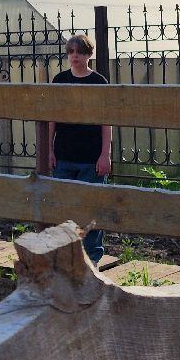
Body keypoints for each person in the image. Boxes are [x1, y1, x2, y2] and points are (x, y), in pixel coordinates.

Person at [47, 35, 113, 264]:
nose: (75, 56)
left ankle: (92, 259)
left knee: (92, 208)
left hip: (91, 158)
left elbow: (107, 121)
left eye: (80, 52)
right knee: (64, 209)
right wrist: (49, 151)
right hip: (64, 156)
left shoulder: (99, 82)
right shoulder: (59, 80)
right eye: (71, 51)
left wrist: (105, 155)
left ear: (88, 55)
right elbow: (51, 119)